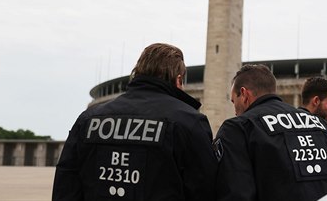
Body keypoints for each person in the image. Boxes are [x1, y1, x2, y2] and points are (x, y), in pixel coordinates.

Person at [53, 43, 217, 201]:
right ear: (178, 80)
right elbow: (205, 190)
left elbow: (66, 187)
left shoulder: (88, 119)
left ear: (137, 73)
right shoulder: (189, 122)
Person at [214, 64, 327, 201]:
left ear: (244, 94)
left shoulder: (238, 128)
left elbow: (235, 194)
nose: (235, 110)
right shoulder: (319, 124)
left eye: (234, 101)